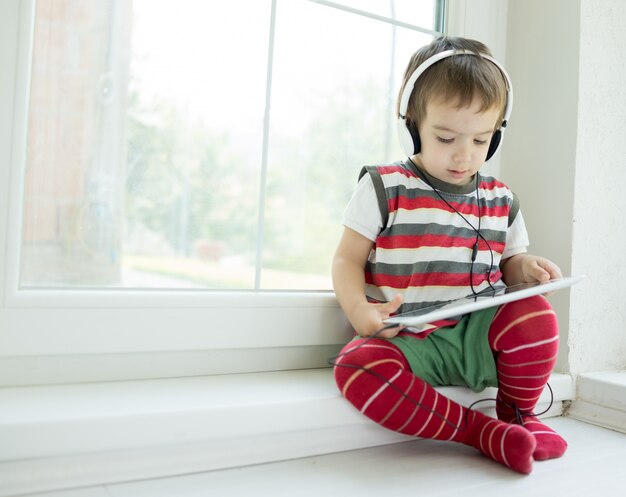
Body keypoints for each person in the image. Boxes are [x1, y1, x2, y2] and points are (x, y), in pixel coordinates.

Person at [331, 36, 566, 475]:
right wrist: (359, 309)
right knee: (356, 367)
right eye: (445, 137)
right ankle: (478, 432)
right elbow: (346, 260)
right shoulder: (385, 187)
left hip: (478, 336)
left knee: (537, 316)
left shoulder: (501, 198)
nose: (464, 154)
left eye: (481, 140)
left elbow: (509, 264)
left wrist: (526, 268)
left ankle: (518, 412)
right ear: (412, 125)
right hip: (411, 338)